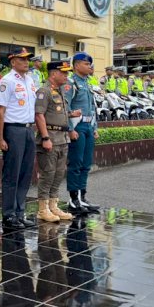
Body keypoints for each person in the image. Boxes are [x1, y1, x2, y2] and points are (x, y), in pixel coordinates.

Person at [0, 47, 38, 230]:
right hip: (13, 130)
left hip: (28, 129)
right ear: (13, 62)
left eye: (28, 59)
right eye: (22, 59)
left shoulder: (30, 80)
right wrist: (0, 138)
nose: (26, 62)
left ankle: (20, 213)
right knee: (12, 174)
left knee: (25, 174)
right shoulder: (7, 81)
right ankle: (8, 215)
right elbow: (0, 111)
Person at [34, 60, 78, 222]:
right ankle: (43, 209)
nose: (66, 76)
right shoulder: (44, 91)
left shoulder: (60, 91)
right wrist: (45, 137)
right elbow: (39, 115)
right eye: (63, 72)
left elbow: (58, 113)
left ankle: (53, 206)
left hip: (62, 139)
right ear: (53, 74)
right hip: (50, 138)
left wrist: (72, 115)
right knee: (48, 174)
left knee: (59, 174)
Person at [64, 52, 101, 214]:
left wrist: (95, 128)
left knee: (86, 164)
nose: (89, 67)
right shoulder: (70, 83)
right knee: (76, 163)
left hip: (88, 126)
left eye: (89, 64)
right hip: (77, 126)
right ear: (77, 65)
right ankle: (73, 200)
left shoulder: (87, 83)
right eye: (86, 64)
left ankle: (82, 197)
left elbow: (92, 108)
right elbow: (65, 108)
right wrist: (70, 129)